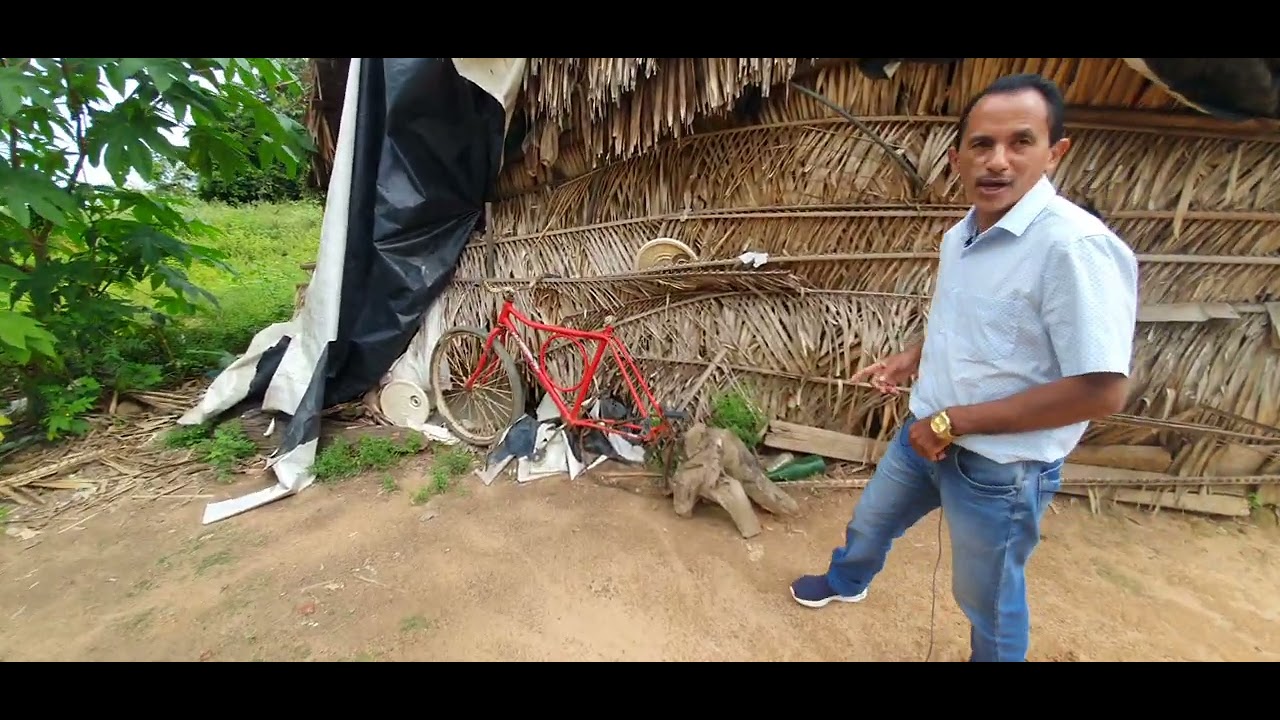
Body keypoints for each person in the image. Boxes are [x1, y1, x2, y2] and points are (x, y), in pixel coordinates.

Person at [788, 73, 1139, 662]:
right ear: (957, 157)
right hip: (923, 433)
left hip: (998, 468)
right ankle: (848, 581)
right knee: (870, 522)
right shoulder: (962, 236)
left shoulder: (1075, 248)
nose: (997, 161)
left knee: (988, 597)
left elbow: (1101, 391)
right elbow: (966, 321)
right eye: (981, 145)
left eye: (1020, 142)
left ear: (1056, 152)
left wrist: (954, 423)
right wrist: (911, 360)